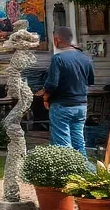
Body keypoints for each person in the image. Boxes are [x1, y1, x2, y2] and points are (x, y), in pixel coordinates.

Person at [39, 26, 94, 156]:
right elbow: (90, 80)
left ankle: (68, 173)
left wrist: (45, 97)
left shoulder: (58, 59)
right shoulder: (86, 58)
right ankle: (84, 171)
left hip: (62, 105)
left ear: (57, 39)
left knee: (63, 143)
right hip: (81, 105)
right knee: (78, 141)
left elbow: (52, 83)